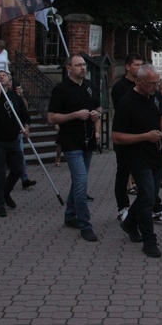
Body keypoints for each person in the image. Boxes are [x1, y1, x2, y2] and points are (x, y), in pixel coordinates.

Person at [113, 64, 162, 258]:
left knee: (150, 196)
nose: (156, 86)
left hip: (156, 154)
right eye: (152, 83)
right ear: (140, 81)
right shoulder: (126, 102)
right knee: (146, 196)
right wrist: (145, 136)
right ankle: (149, 240)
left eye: (157, 82)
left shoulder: (155, 97)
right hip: (136, 156)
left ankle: (129, 223)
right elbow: (117, 137)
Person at [47, 55, 102, 242]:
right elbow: (52, 117)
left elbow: (100, 108)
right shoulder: (61, 89)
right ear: (69, 68)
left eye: (84, 65)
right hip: (70, 142)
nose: (83, 68)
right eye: (79, 65)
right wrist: (75, 115)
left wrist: (96, 114)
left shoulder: (89, 86)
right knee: (81, 182)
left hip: (87, 141)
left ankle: (70, 216)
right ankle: (85, 224)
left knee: (78, 182)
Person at [0, 70, 30, 218]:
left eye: (4, 75)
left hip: (13, 140)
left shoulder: (15, 97)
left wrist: (26, 127)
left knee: (17, 169)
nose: (1, 77)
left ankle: (5, 192)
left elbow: (25, 116)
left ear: (10, 80)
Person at [111, 52, 143, 220]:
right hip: (124, 135)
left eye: (141, 65)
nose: (139, 68)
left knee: (145, 174)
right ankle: (123, 207)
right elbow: (123, 110)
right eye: (137, 65)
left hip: (141, 136)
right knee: (123, 172)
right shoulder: (120, 87)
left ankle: (153, 206)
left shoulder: (144, 85)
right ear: (128, 67)